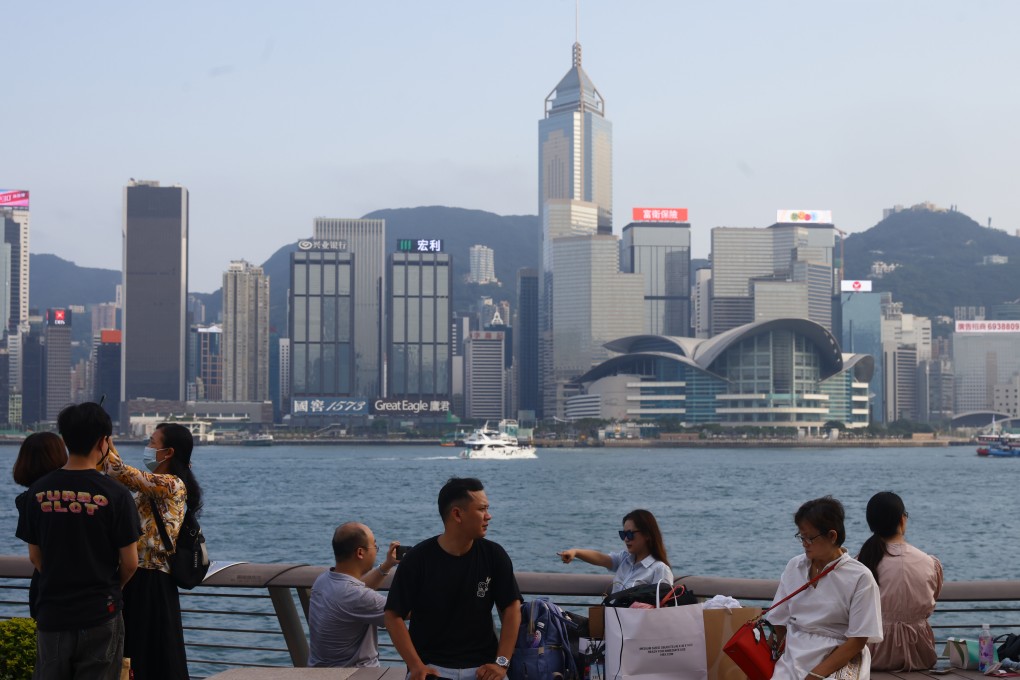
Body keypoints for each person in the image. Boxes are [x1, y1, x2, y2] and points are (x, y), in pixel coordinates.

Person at [16, 402, 141, 680]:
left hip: (53, 611)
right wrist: (108, 586)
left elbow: (36, 558)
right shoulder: (117, 494)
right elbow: (130, 563)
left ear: (65, 439)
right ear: (103, 441)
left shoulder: (38, 491)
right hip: (101, 611)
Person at [384, 477, 522, 680]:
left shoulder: (494, 555)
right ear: (457, 514)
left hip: (483, 669)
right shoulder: (417, 559)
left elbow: (511, 608)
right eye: (481, 509)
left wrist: (501, 663)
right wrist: (416, 666)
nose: (488, 516)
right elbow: (392, 615)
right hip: (432, 668)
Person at [104, 422, 202, 680]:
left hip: (153, 578)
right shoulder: (155, 486)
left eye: (152, 442)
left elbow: (124, 474)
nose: (147, 447)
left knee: (153, 653)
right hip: (139, 576)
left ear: (168, 452)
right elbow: (124, 477)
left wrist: (104, 447)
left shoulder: (172, 485)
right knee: (141, 652)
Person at [766, 496, 883, 680]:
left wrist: (814, 675)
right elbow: (779, 622)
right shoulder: (794, 566)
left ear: (832, 536)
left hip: (840, 654)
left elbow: (858, 640)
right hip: (794, 652)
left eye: (809, 537)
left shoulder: (860, 577)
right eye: (801, 536)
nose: (804, 543)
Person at [858, 492, 943, 671]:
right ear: (902, 519)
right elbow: (932, 601)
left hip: (873, 655)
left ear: (871, 524)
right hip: (920, 654)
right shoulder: (929, 563)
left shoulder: (859, 563)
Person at [307, 522, 400, 667]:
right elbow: (404, 611)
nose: (376, 551)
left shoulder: (323, 580)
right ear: (360, 553)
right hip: (357, 674)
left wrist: (387, 565)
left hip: (322, 672)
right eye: (374, 546)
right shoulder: (354, 595)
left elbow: (357, 590)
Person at [12, 432, 68, 619]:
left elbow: (36, 557)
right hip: (91, 592)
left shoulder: (27, 500)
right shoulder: (80, 492)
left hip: (48, 591)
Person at [558, 508, 674, 593]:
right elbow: (600, 559)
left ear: (647, 535)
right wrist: (575, 552)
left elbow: (663, 607)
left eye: (630, 534)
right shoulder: (624, 559)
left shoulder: (660, 569)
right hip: (614, 621)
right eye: (623, 534)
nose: (626, 539)